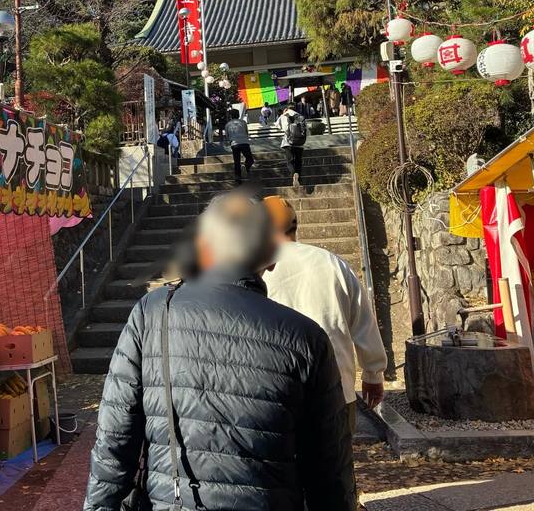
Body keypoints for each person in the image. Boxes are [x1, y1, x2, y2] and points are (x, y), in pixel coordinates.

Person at [83, 192, 356, 511]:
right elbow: (329, 471)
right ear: (270, 256)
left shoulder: (152, 313)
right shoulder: (307, 338)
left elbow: (115, 437)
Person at [262, 195, 387, 438]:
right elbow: (363, 321)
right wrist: (373, 373)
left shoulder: (257, 268)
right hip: (336, 388)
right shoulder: (331, 262)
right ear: (296, 225)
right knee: (337, 459)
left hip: (277, 390)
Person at [276, 102, 306, 187]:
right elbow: (305, 130)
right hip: (299, 143)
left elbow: (278, 126)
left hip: (288, 142)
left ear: (288, 108)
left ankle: (294, 175)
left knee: (290, 162)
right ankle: (298, 179)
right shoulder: (301, 116)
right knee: (298, 162)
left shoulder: (284, 115)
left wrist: (283, 114)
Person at [224, 108, 254, 182]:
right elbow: (246, 132)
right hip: (244, 142)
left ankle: (238, 176)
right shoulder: (243, 122)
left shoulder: (227, 124)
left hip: (234, 144)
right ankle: (247, 166)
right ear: (238, 115)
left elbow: (227, 136)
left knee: (237, 161)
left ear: (231, 116)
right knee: (250, 159)